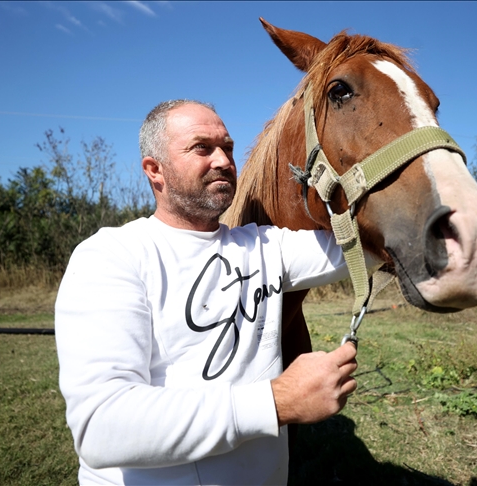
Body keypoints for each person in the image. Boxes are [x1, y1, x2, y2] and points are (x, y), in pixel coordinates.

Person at [55, 99, 366, 485]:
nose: (223, 160)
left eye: (228, 148)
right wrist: (277, 400)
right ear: (155, 171)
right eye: (202, 148)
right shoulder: (111, 256)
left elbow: (366, 245)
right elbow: (102, 426)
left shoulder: (265, 246)